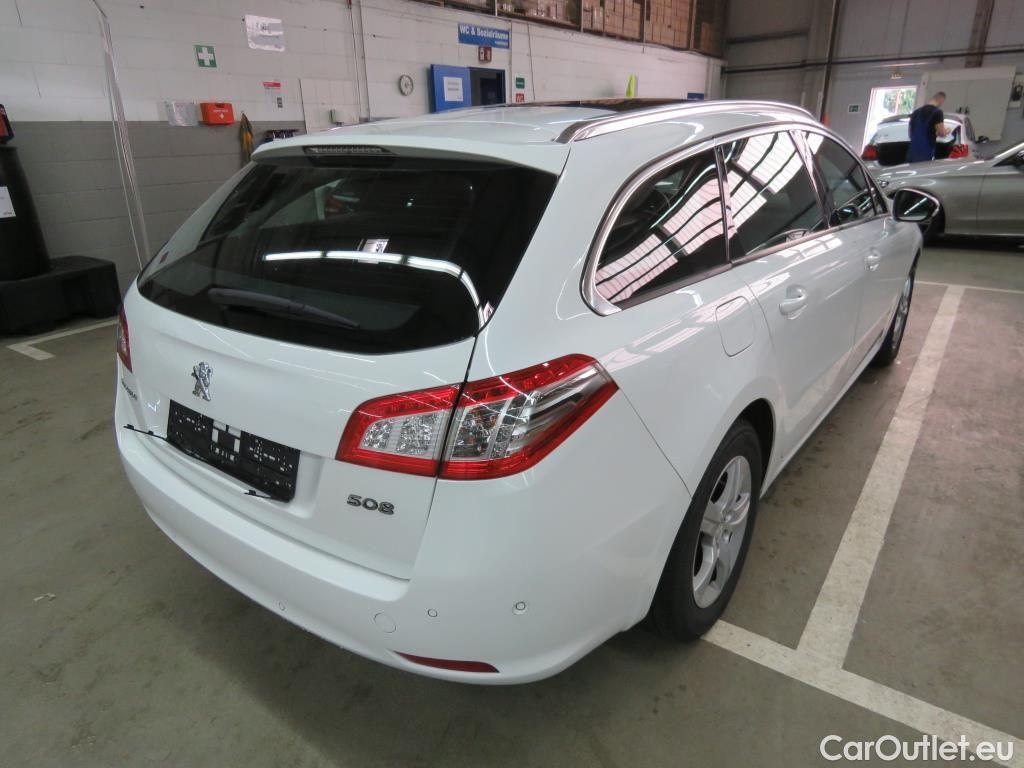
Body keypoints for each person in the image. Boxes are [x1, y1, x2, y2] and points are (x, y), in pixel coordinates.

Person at [906, 92, 950, 163]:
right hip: (925, 152)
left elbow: (910, 134)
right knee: (923, 169)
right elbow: (941, 133)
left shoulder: (915, 112)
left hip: (912, 151)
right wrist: (948, 130)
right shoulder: (937, 112)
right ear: (941, 100)